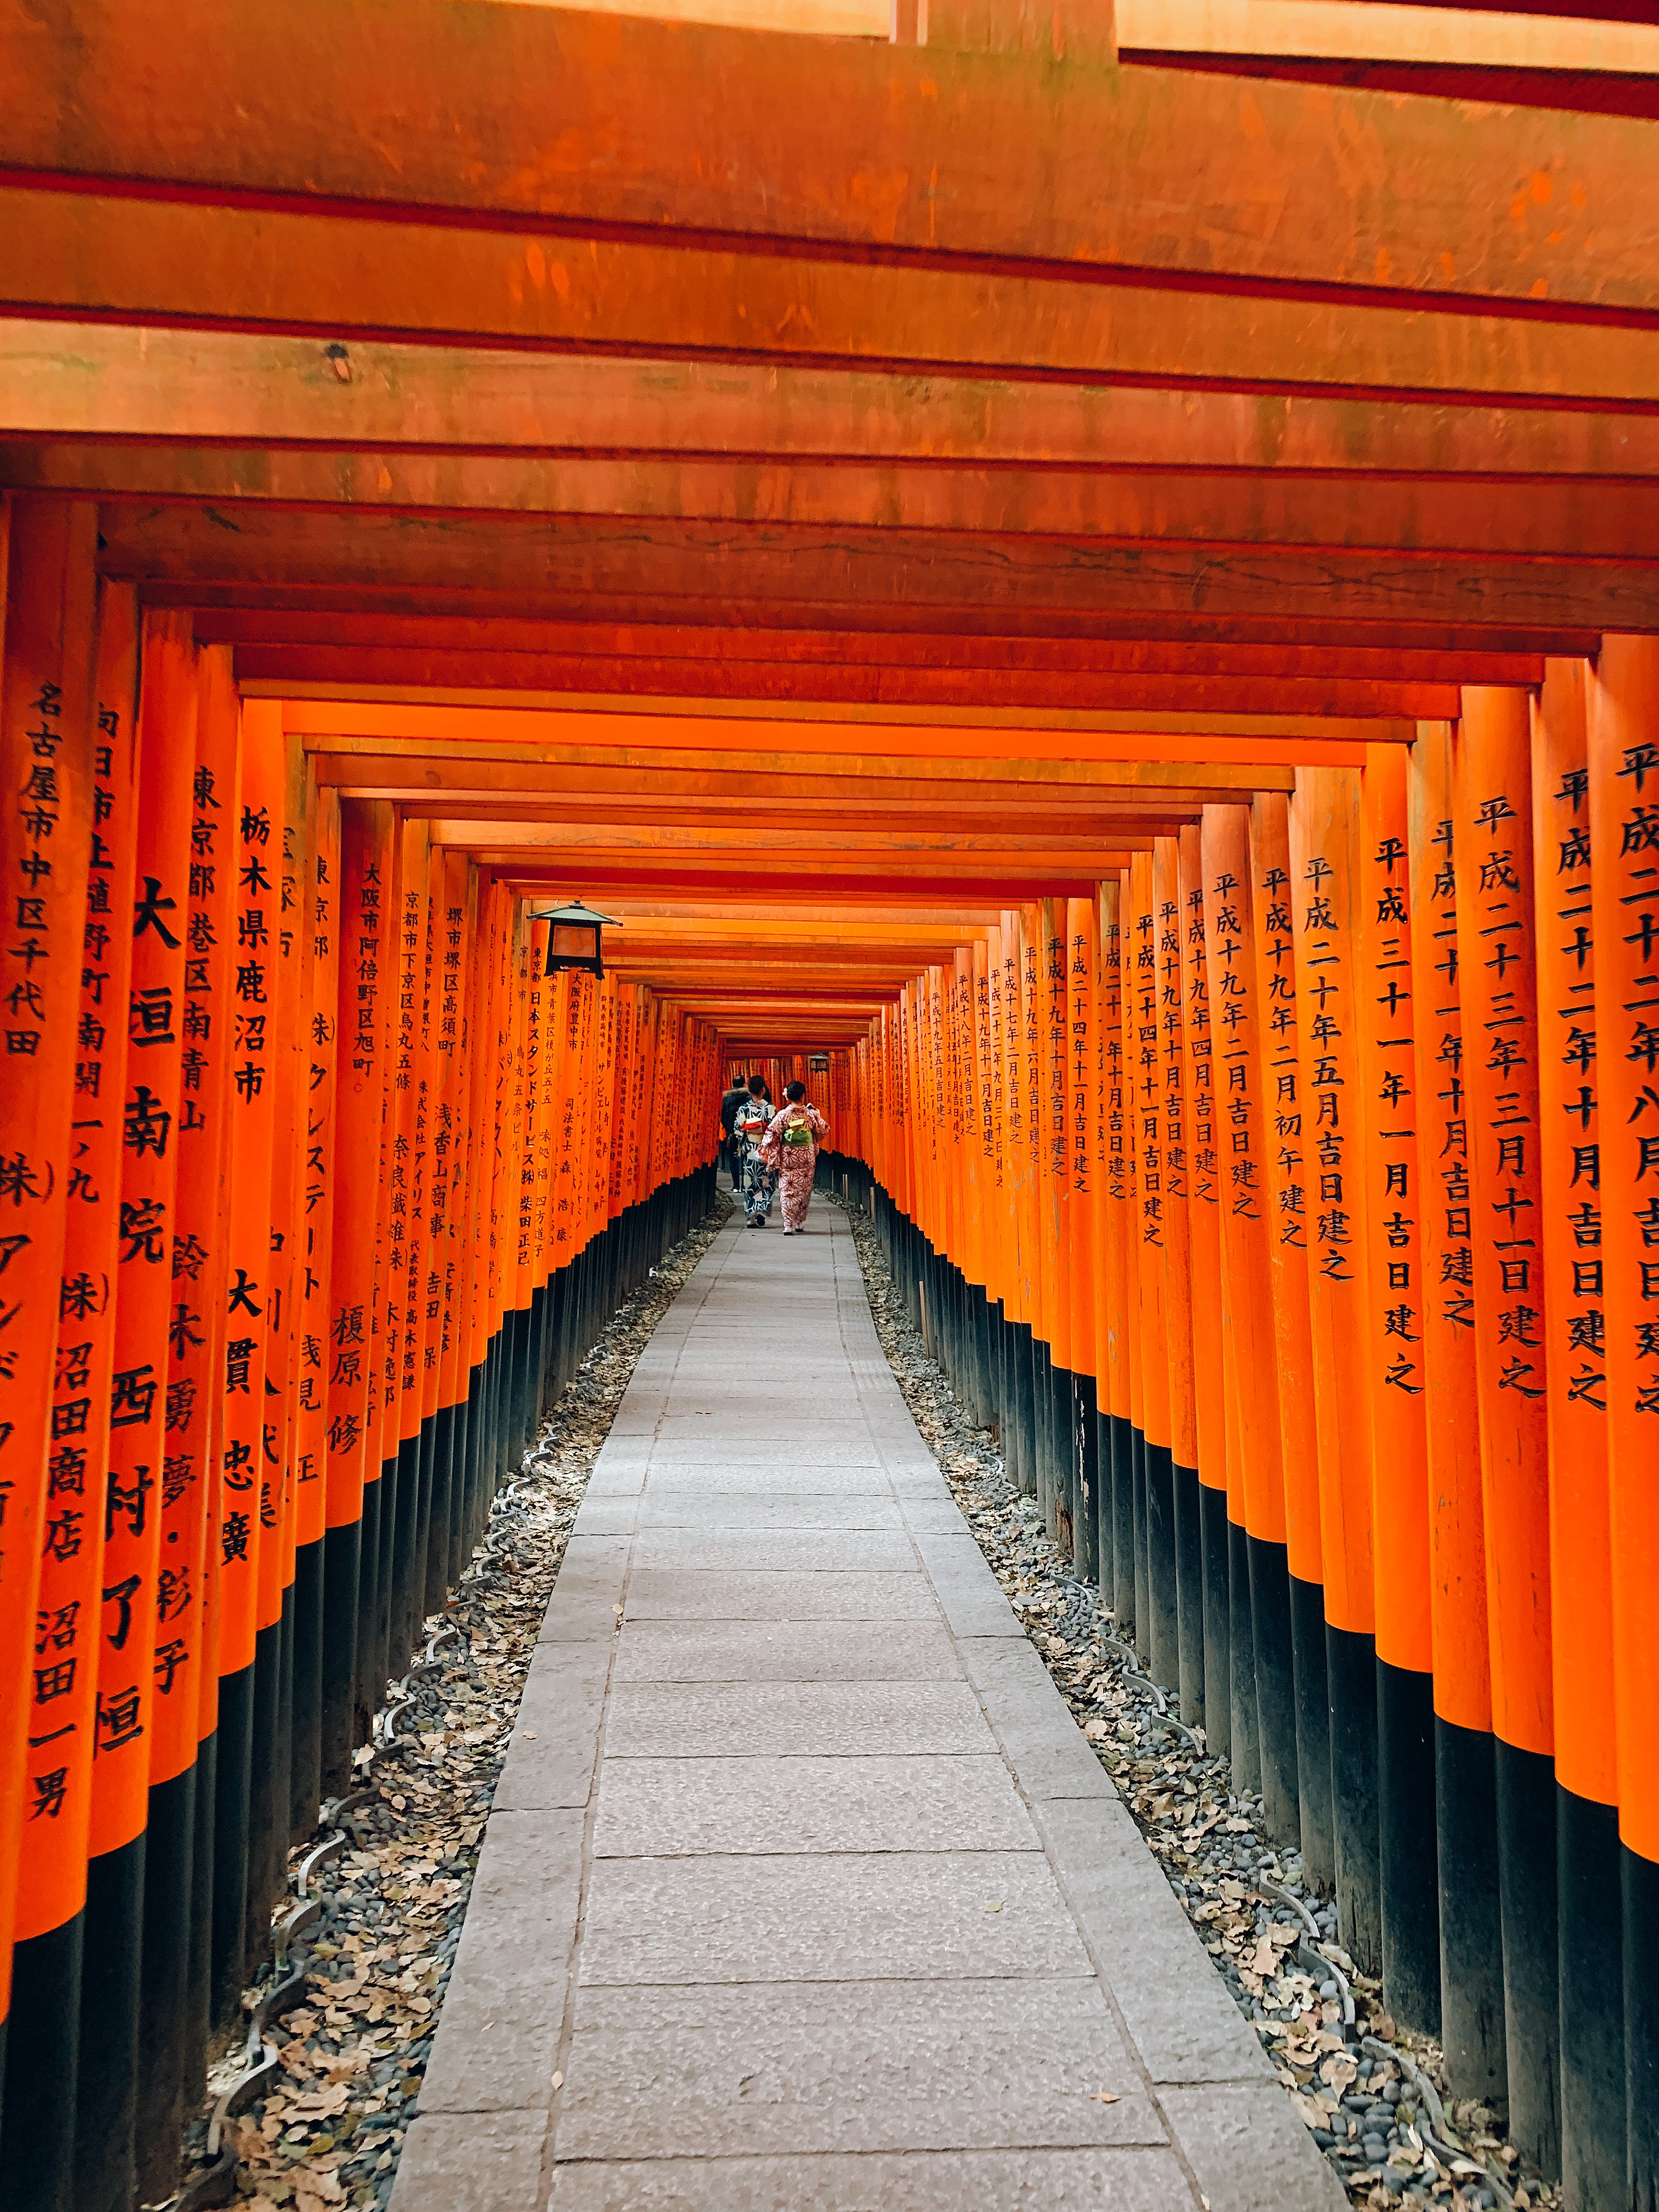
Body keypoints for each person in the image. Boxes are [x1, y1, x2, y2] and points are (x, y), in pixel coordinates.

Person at [760, 1080, 828, 1235]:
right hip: (807, 1156)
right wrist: (817, 1115)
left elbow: (771, 1135)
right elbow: (823, 1131)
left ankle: (788, 1224)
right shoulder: (811, 1114)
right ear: (803, 1096)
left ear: (788, 1097)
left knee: (787, 1189)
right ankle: (799, 1222)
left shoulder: (782, 1115)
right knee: (804, 1188)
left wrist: (771, 1155)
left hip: (788, 1156)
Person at [733, 1074, 778, 1227]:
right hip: (765, 1150)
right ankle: (761, 1211)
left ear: (750, 1091)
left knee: (750, 1183)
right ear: (764, 1090)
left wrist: (747, 1131)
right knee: (766, 1183)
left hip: (751, 1150)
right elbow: (775, 1130)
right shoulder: (770, 1109)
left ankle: (750, 1216)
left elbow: (738, 1130)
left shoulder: (743, 1109)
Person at [719, 1075, 749, 1192]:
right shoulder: (748, 1097)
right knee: (746, 1157)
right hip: (746, 1131)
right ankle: (746, 1184)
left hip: (732, 1132)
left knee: (734, 1158)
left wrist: (728, 1129)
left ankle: (736, 1185)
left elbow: (723, 1115)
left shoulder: (727, 1097)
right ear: (744, 1083)